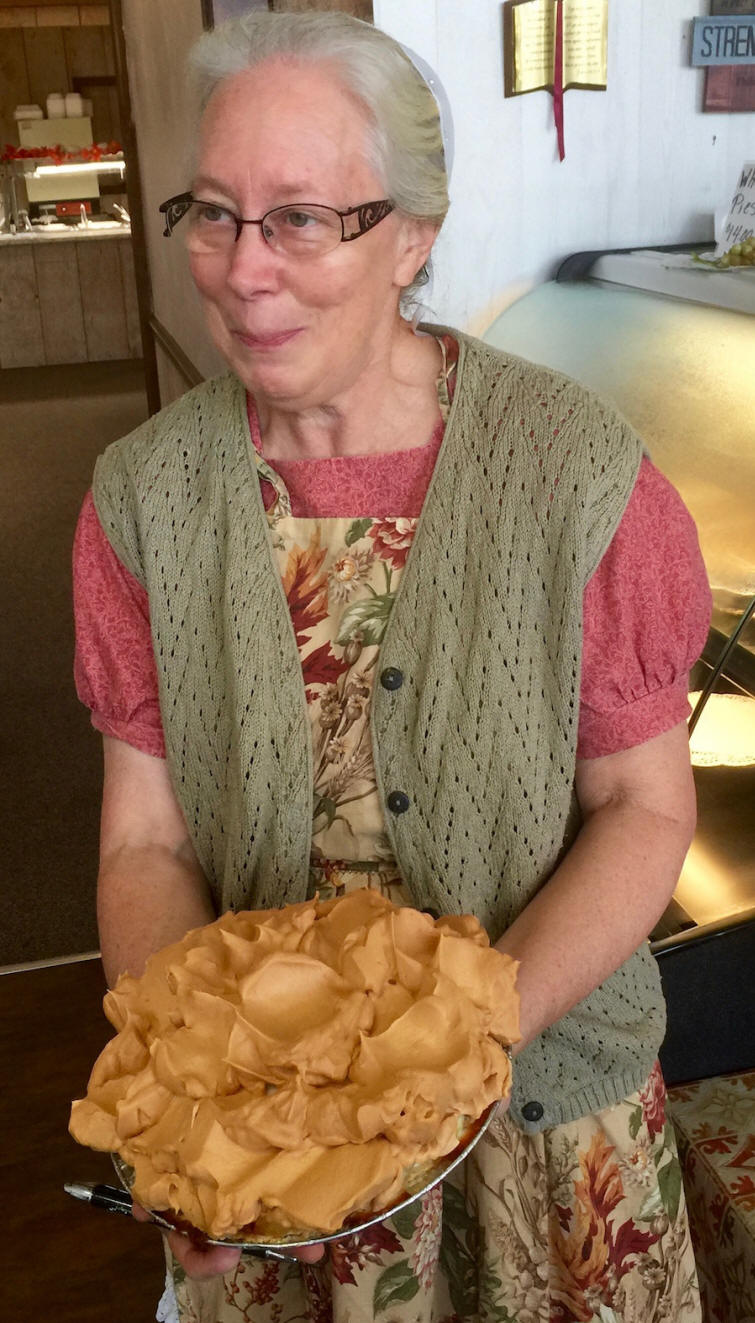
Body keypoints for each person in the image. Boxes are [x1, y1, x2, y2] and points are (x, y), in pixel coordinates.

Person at [73, 11, 711, 1322]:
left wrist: (456, 1056)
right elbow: (144, 843)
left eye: (302, 218)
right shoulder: (142, 500)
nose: (243, 269)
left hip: (546, 1136)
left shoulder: (576, 473)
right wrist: (202, 1096)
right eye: (214, 212)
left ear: (412, 234)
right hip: (283, 1157)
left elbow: (645, 809)